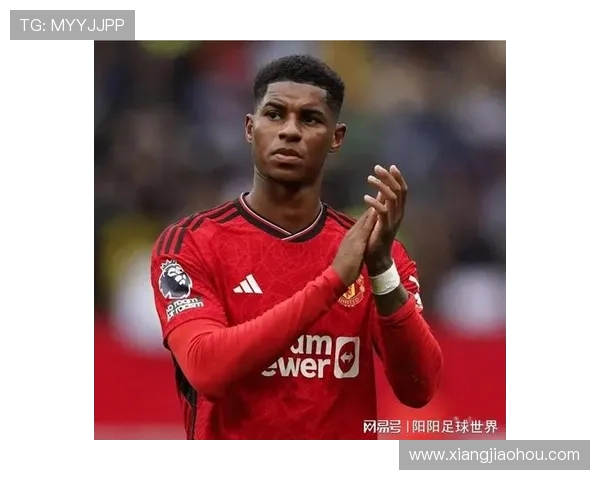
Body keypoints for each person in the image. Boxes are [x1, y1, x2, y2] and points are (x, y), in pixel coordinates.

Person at [150, 54, 443, 440]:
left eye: (310, 119)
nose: (290, 130)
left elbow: (419, 388)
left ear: (336, 137)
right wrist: (333, 282)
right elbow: (206, 369)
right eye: (274, 114)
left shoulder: (371, 251)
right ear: (250, 128)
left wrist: (382, 271)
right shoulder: (191, 244)